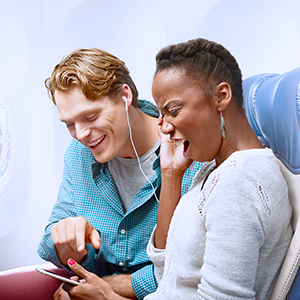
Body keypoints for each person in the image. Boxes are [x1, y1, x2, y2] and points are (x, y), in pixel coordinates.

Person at [37, 48, 200, 300]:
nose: (80, 134)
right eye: (70, 124)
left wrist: (105, 287)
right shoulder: (78, 154)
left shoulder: (187, 153)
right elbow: (49, 242)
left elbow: (183, 269)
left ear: (125, 96)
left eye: (90, 116)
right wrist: (70, 245)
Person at [143, 38, 293, 299]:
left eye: (173, 110)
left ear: (221, 97)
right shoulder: (214, 168)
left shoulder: (238, 184)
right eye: (161, 114)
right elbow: (167, 275)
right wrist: (171, 175)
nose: (164, 127)